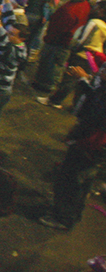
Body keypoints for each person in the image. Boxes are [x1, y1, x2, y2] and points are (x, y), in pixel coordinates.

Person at [38, 63, 106, 231]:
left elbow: (95, 111)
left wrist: (77, 138)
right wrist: (83, 81)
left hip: (91, 145)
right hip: (91, 143)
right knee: (82, 180)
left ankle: (63, 218)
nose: (101, 71)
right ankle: (71, 214)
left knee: (72, 179)